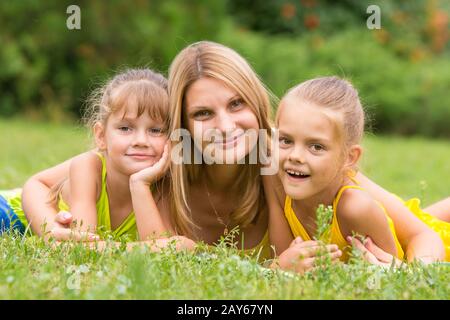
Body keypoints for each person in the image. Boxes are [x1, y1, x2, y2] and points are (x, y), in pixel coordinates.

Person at [21, 41, 445, 268]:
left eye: (237, 105)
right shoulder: (163, 162)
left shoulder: (290, 154)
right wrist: (50, 229)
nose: (225, 126)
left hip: (404, 230)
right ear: (180, 125)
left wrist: (417, 273)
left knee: (432, 218)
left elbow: (419, 235)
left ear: (258, 105)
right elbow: (39, 184)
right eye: (203, 113)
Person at [266, 76, 450, 270]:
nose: (295, 156)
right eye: (286, 140)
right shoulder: (278, 175)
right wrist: (280, 267)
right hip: (410, 221)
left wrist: (415, 273)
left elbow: (410, 253)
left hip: (430, 245)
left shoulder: (355, 206)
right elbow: (283, 260)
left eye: (316, 146)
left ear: (349, 158)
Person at [0, 68, 192, 250]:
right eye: (125, 128)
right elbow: (82, 246)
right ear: (101, 136)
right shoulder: (88, 166)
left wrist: (140, 185)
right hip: (12, 213)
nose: (141, 141)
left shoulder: (166, 185)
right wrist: (51, 230)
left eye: (156, 130)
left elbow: (161, 249)